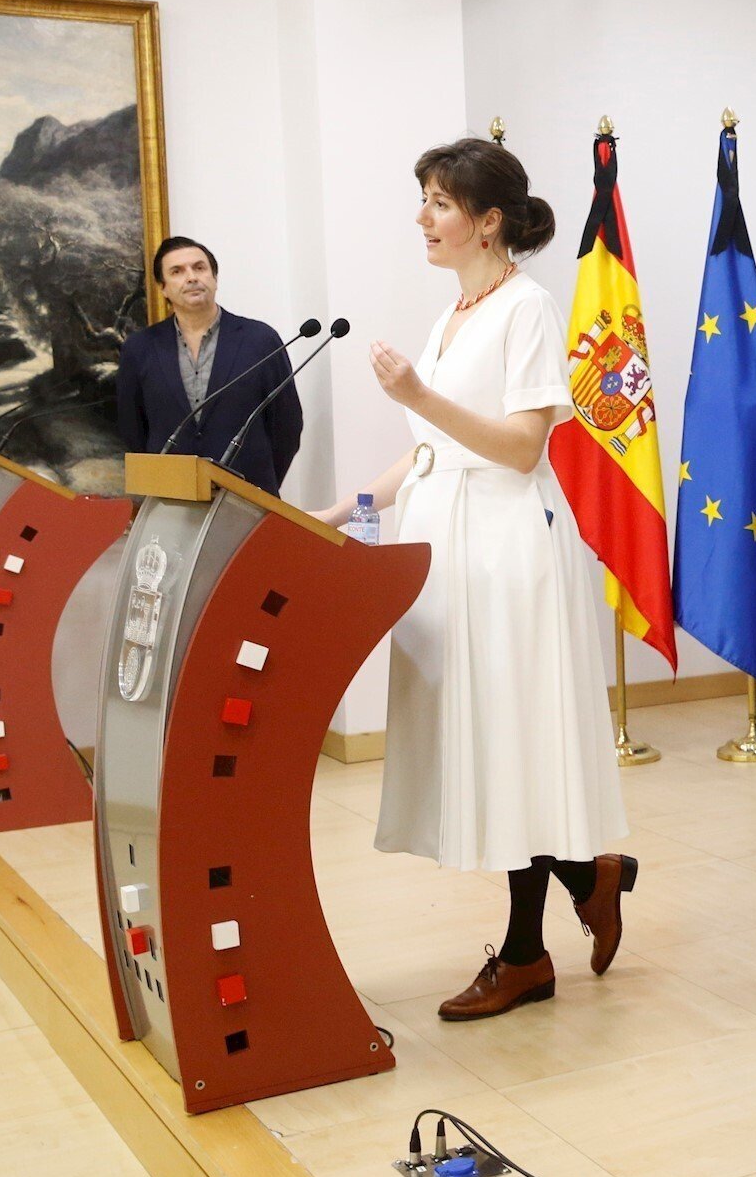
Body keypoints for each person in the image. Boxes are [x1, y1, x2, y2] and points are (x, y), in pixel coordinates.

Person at [316, 140, 634, 1021]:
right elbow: (430, 454)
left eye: (440, 202)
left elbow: (522, 448)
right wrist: (340, 513)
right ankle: (590, 875)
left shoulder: (527, 307)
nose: (423, 217)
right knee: (487, 740)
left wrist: (418, 395)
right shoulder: (453, 313)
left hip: (507, 547)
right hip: (447, 543)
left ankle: (527, 955)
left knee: (510, 738)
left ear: (487, 222)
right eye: (424, 198)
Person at [116, 236, 303, 495]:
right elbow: (132, 430)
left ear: (214, 278)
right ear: (163, 288)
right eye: (177, 271)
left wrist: (260, 485)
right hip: (172, 497)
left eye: (199, 268)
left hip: (249, 496)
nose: (191, 277)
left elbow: (287, 425)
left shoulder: (260, 340)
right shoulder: (140, 348)